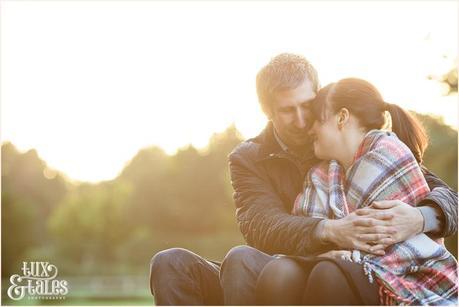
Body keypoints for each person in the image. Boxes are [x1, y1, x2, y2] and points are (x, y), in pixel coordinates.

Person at [149, 53, 458, 305]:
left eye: (307, 106)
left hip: (322, 272)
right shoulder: (248, 157)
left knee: (242, 260)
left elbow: (441, 193)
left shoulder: (343, 142)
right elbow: (261, 225)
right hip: (281, 265)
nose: (300, 121)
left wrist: (419, 217)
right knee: (171, 263)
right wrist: (331, 230)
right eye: (287, 110)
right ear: (267, 111)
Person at [255, 78, 458, 305]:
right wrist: (325, 249)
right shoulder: (322, 174)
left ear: (341, 118)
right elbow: (290, 229)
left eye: (316, 120)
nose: (308, 127)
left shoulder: (387, 154)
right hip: (347, 267)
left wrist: (421, 217)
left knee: (328, 273)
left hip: (404, 273)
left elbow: (380, 241)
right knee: (280, 273)